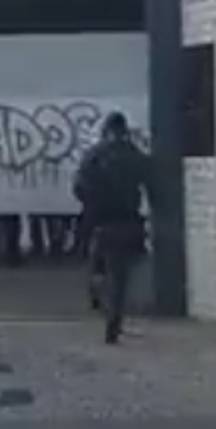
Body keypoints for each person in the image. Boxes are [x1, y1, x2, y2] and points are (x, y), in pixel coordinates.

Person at [73, 111, 154, 345]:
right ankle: (114, 317)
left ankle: (101, 301)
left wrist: (91, 203)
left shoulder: (95, 155)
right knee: (120, 276)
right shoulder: (134, 155)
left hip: (99, 220)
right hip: (127, 220)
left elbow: (79, 186)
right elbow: (151, 185)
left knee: (97, 265)